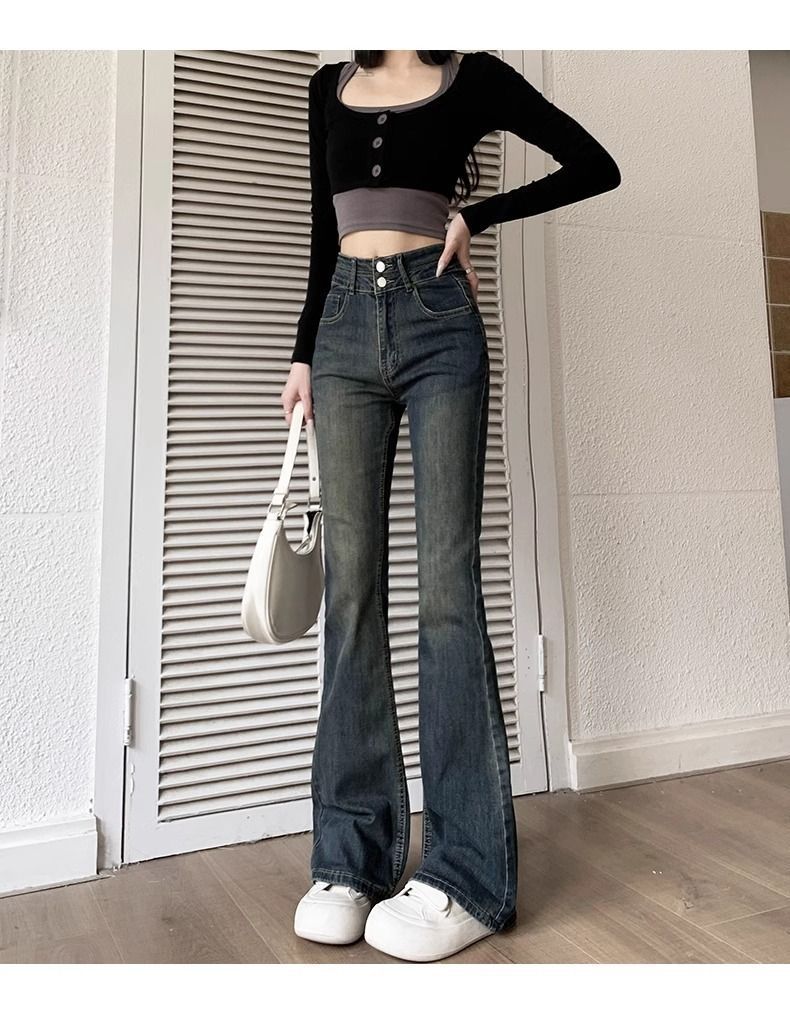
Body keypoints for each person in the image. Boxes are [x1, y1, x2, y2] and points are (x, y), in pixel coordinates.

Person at [282, 49, 621, 963]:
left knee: (447, 594)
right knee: (351, 594)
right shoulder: (327, 87)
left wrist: (476, 216)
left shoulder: (475, 78)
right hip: (343, 334)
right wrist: (305, 351)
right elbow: (322, 227)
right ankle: (349, 858)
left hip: (439, 322)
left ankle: (467, 873)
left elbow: (595, 165)